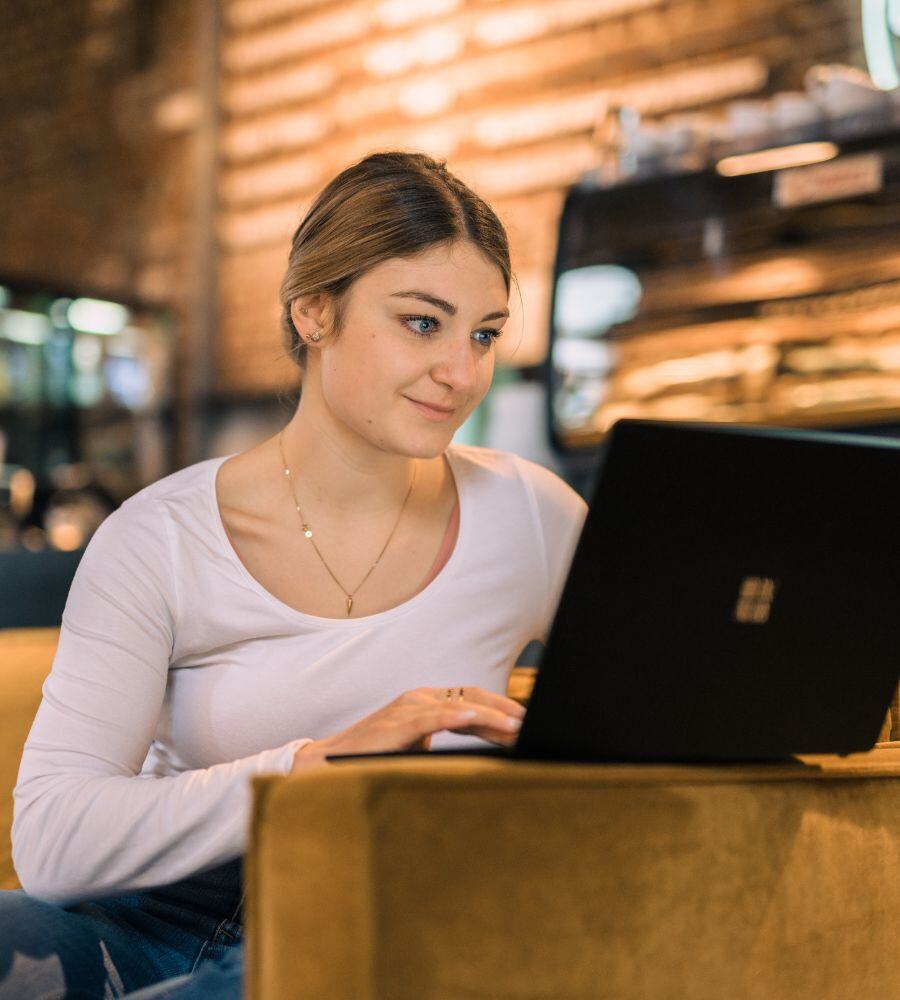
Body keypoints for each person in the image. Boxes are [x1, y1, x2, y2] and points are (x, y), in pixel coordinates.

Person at [0, 151, 588, 999]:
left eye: (484, 334)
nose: (463, 372)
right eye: (423, 322)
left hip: (386, 911)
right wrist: (314, 767)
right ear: (314, 312)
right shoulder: (158, 537)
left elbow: (656, 713)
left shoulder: (532, 515)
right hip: (148, 917)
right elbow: (54, 840)